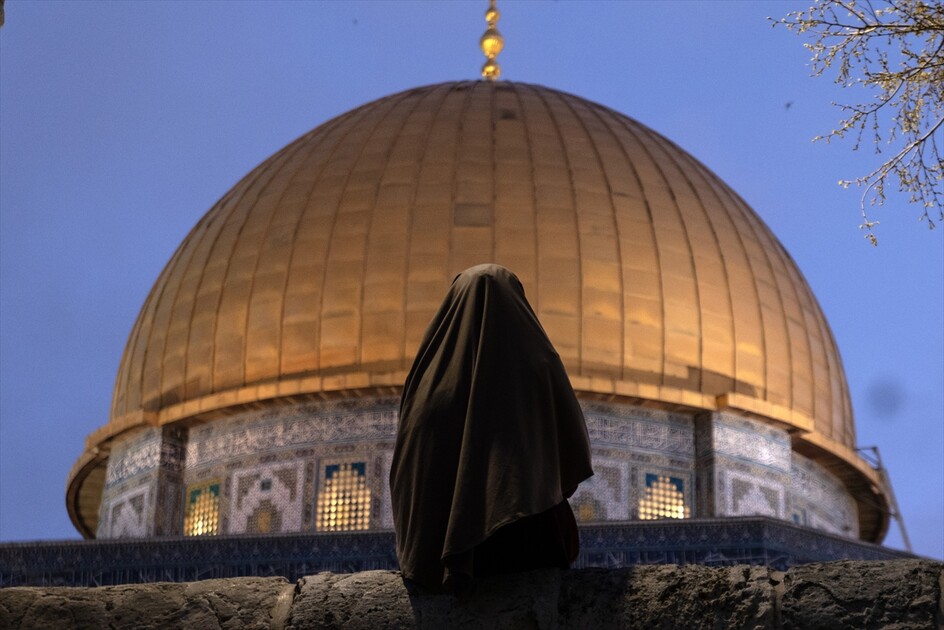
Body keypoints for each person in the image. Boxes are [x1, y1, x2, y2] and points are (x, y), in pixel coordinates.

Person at [390, 264, 593, 594]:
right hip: (521, 546)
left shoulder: (425, 382)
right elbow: (570, 459)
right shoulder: (535, 363)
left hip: (431, 557)